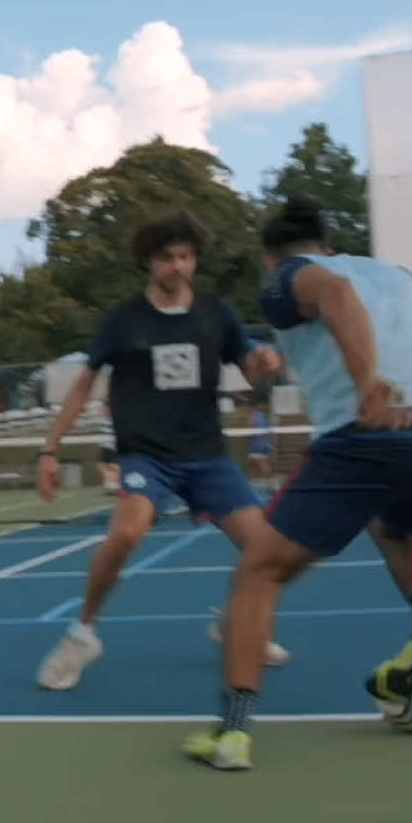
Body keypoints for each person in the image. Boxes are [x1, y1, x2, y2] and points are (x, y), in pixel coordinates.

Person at [184, 199, 412, 770]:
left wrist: (369, 384)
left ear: (269, 255)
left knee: (259, 570)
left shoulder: (286, 278)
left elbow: (335, 296)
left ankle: (231, 735)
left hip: (369, 434)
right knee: (396, 527)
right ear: (330, 242)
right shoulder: (397, 277)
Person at [34, 208, 289, 691]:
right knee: (128, 533)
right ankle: (82, 635)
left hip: (207, 456)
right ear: (149, 263)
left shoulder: (218, 314)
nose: (180, 267)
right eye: (169, 258)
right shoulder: (124, 321)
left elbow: (254, 375)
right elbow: (83, 386)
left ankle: (234, 624)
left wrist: (266, 363)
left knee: (266, 548)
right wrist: (49, 450)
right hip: (146, 456)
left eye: (187, 257)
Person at [96, 401, 121, 495]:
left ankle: (116, 487)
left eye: (106, 409)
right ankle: (111, 486)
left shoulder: (116, 419)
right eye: (104, 409)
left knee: (114, 467)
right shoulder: (103, 420)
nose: (104, 411)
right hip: (105, 448)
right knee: (101, 466)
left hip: (113, 448)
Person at [247, 401, 274, 484]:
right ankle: (253, 480)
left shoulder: (252, 416)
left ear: (251, 408)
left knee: (262, 464)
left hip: (257, 444)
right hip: (266, 442)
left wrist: (247, 433)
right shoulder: (264, 416)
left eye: (248, 409)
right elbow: (269, 428)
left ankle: (269, 482)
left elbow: (252, 430)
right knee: (252, 462)